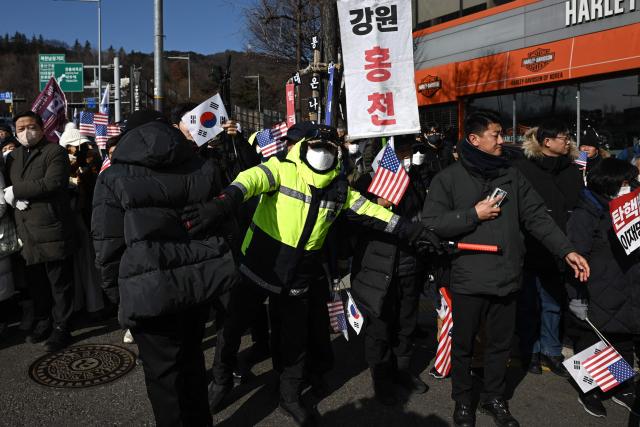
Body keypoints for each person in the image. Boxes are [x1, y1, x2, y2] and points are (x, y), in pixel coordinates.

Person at [182, 123, 440, 426]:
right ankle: (221, 381)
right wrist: (222, 203)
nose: (324, 151)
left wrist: (413, 230)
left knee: (295, 341)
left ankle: (289, 395)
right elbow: (249, 180)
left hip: (298, 279)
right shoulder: (281, 168)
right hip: (255, 268)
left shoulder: (340, 189)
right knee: (232, 330)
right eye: (318, 144)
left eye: (331, 146)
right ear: (304, 144)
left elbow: (375, 213)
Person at [422, 111, 590, 427]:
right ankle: (463, 402)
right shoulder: (448, 178)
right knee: (464, 345)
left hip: (508, 275)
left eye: (501, 134)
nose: (503, 140)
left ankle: (494, 399)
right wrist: (472, 214)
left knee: (501, 346)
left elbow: (538, 217)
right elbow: (431, 223)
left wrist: (566, 250)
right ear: (474, 139)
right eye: (496, 134)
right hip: (469, 278)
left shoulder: (511, 175)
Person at [92, 110, 239, 427]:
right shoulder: (203, 166)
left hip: (149, 294)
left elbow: (107, 244)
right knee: (192, 364)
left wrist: (118, 294)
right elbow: (226, 227)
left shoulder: (112, 177)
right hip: (200, 285)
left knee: (164, 381)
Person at [350, 134, 434, 405]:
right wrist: (379, 202)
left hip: (409, 263)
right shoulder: (366, 182)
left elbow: (423, 214)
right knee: (379, 325)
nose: (408, 156)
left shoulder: (416, 179)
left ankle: (403, 370)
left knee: (406, 322)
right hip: (377, 266)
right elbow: (355, 221)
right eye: (403, 151)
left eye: (410, 150)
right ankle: (381, 377)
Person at [565, 158, 640, 418]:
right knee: (594, 342)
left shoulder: (630, 208)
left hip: (628, 287)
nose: (630, 186)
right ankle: (590, 391)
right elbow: (575, 257)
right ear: (609, 182)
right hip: (596, 288)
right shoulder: (586, 213)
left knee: (623, 340)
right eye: (625, 182)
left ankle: (620, 387)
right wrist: (576, 296)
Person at [512, 120, 583, 377]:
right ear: (546, 142)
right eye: (563, 136)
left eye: (567, 137)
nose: (568, 141)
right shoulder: (522, 168)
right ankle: (530, 350)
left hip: (563, 246)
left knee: (553, 302)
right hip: (530, 244)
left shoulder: (572, 170)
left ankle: (552, 351)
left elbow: (578, 203)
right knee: (529, 301)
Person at [5, 111, 75, 352]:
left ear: (42, 127)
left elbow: (53, 182)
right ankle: (44, 321)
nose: (26, 132)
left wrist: (17, 191)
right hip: (25, 230)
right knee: (36, 283)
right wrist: (11, 198)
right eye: (20, 128)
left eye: (31, 126)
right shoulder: (12, 156)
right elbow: (5, 187)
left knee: (59, 282)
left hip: (52, 227)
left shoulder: (54, 152)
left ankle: (62, 327)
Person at [58, 123, 104, 315]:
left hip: (84, 217)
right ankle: (78, 304)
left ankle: (94, 304)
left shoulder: (90, 161)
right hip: (69, 218)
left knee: (87, 262)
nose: (78, 150)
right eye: (74, 146)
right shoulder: (60, 164)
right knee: (73, 266)